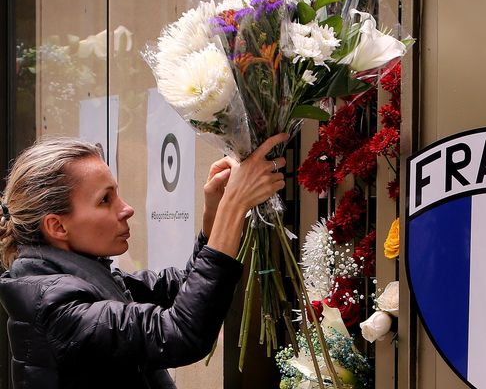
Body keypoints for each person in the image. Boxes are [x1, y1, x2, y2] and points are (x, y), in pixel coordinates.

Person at [0, 134, 288, 389]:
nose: (126, 208)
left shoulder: (78, 279)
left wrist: (214, 218)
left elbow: (181, 288)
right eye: (105, 200)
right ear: (57, 227)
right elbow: (180, 333)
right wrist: (234, 206)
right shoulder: (56, 307)